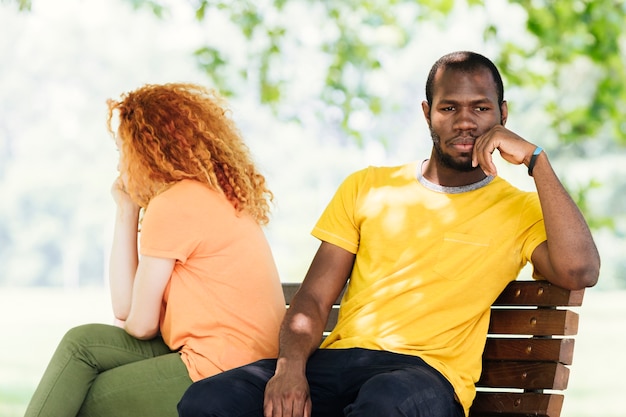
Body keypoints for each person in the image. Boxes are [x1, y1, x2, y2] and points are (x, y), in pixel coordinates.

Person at [177, 51, 601, 417]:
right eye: (449, 108)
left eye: (481, 108)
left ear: (503, 115)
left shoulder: (519, 209)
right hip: (339, 364)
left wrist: (536, 159)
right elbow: (313, 299)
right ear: (427, 112)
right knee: (209, 399)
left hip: (426, 377)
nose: (466, 122)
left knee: (384, 400)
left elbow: (579, 270)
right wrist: (289, 367)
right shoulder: (369, 185)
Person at [24, 83, 286, 417]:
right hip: (239, 362)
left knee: (81, 397)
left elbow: (141, 325)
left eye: (123, 152)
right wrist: (126, 209)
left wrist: (129, 210)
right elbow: (125, 307)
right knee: (81, 342)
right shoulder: (210, 195)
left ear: (148, 150)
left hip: (220, 370)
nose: (120, 166)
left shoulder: (175, 204)